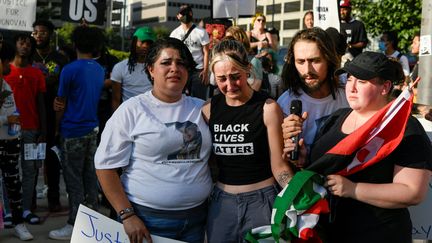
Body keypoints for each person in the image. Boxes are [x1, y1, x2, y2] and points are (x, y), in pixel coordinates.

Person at [284, 51, 432, 243]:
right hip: (327, 232)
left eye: (362, 81)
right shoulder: (337, 117)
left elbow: (412, 192)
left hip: (379, 234)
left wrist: (353, 189)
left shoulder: (405, 127)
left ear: (385, 87)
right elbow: (326, 171)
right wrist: (304, 160)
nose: (351, 88)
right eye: (350, 79)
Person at [94, 38, 212, 243]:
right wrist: (127, 215)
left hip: (198, 220)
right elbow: (105, 167)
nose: (175, 68)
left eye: (181, 63)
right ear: (150, 69)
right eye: (166, 62)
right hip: (147, 222)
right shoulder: (132, 110)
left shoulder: (203, 108)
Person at [203, 39, 293, 243]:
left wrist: (295, 194)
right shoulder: (208, 110)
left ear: (248, 70)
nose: (229, 84)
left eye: (235, 76)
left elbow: (279, 166)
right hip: (221, 204)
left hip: (262, 202)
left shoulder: (268, 107)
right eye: (222, 79)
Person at [48, 26, 105, 240]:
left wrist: (55, 128)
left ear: (74, 44)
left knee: (73, 181)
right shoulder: (99, 69)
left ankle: (75, 224)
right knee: (90, 178)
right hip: (92, 130)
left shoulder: (69, 69)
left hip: (72, 130)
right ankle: (92, 225)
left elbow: (59, 104)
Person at [277, 27, 348, 152]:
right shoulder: (284, 103)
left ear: (329, 60)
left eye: (315, 61)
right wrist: (284, 142)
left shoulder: (350, 94)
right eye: (300, 62)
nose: (307, 70)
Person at [4, 33, 47, 225]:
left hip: (31, 129)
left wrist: (43, 130)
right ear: (15, 45)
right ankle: (9, 211)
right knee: (9, 172)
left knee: (30, 171)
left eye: (29, 43)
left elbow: (41, 104)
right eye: (22, 42)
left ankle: (26, 210)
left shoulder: (37, 73)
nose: (26, 45)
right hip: (8, 131)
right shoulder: (4, 72)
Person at [31, 19, 69, 213]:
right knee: (30, 161)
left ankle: (54, 199)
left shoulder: (60, 58)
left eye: (43, 32)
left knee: (52, 159)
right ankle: (30, 202)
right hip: (32, 113)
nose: (38, 35)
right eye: (35, 32)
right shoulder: (28, 56)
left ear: (51, 34)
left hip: (54, 114)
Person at [0, 41, 34, 241]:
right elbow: (7, 116)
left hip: (11, 141)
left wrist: (15, 121)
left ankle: (19, 224)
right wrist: (7, 119)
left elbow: (13, 112)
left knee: (14, 184)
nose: (9, 65)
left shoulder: (6, 85)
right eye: (6, 61)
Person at [170, 4, 210, 100]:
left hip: (198, 70)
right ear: (178, 16)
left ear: (191, 13)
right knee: (179, 98)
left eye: (188, 12)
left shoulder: (201, 32)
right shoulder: (174, 33)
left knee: (200, 99)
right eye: (182, 13)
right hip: (181, 69)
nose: (186, 15)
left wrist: (206, 70)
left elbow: (206, 52)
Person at [111, 26, 155, 111]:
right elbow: (115, 100)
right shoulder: (120, 67)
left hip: (153, 117)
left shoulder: (158, 68)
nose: (145, 46)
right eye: (142, 42)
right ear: (134, 42)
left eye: (149, 43)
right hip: (129, 117)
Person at [224, 26, 263, 91]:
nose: (228, 43)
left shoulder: (253, 60)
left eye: (231, 39)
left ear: (241, 40)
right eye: (226, 39)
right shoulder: (225, 59)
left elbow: (255, 86)